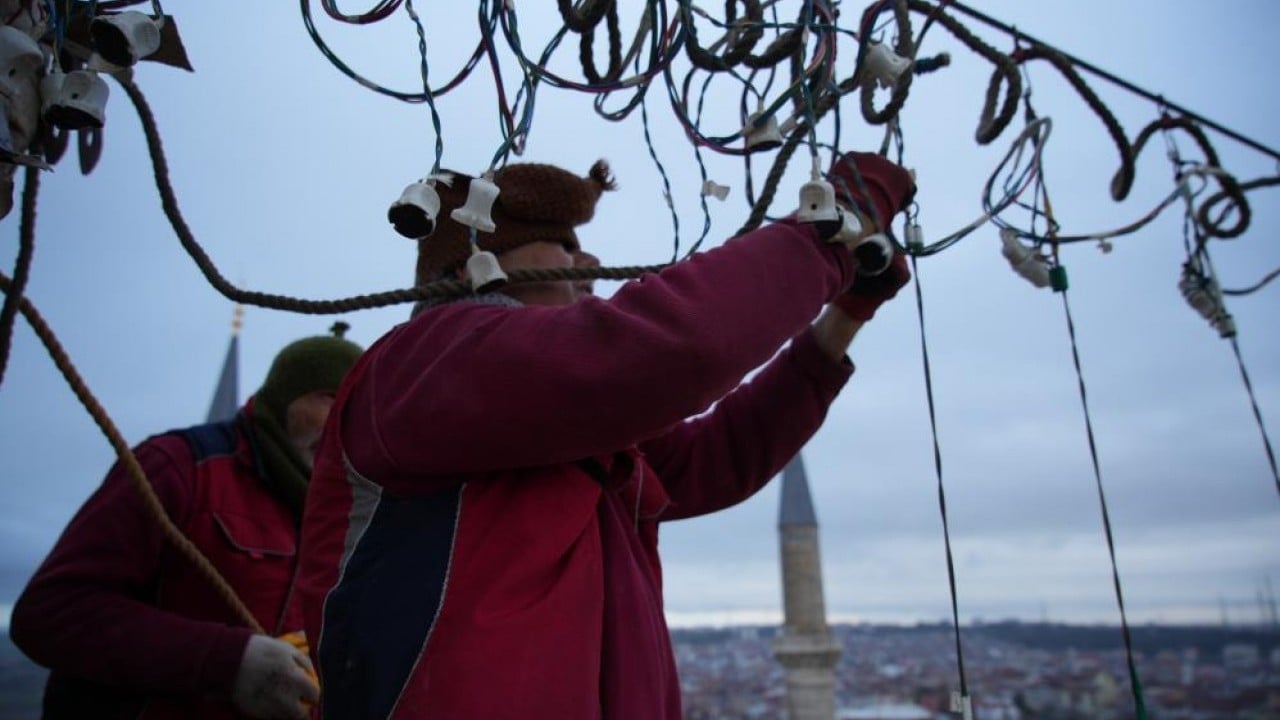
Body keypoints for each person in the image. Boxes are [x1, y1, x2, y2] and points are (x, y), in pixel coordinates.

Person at [297, 153, 916, 719]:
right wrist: (833, 226)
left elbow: (712, 459)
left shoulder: (555, 425)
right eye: (560, 246)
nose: (588, 264)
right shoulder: (426, 361)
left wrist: (842, 318)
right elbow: (675, 347)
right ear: (475, 265)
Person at [10, 328, 364, 720]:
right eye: (329, 399)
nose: (339, 427)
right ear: (285, 398)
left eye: (354, 412)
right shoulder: (177, 466)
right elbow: (49, 614)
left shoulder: (336, 514)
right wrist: (229, 662)